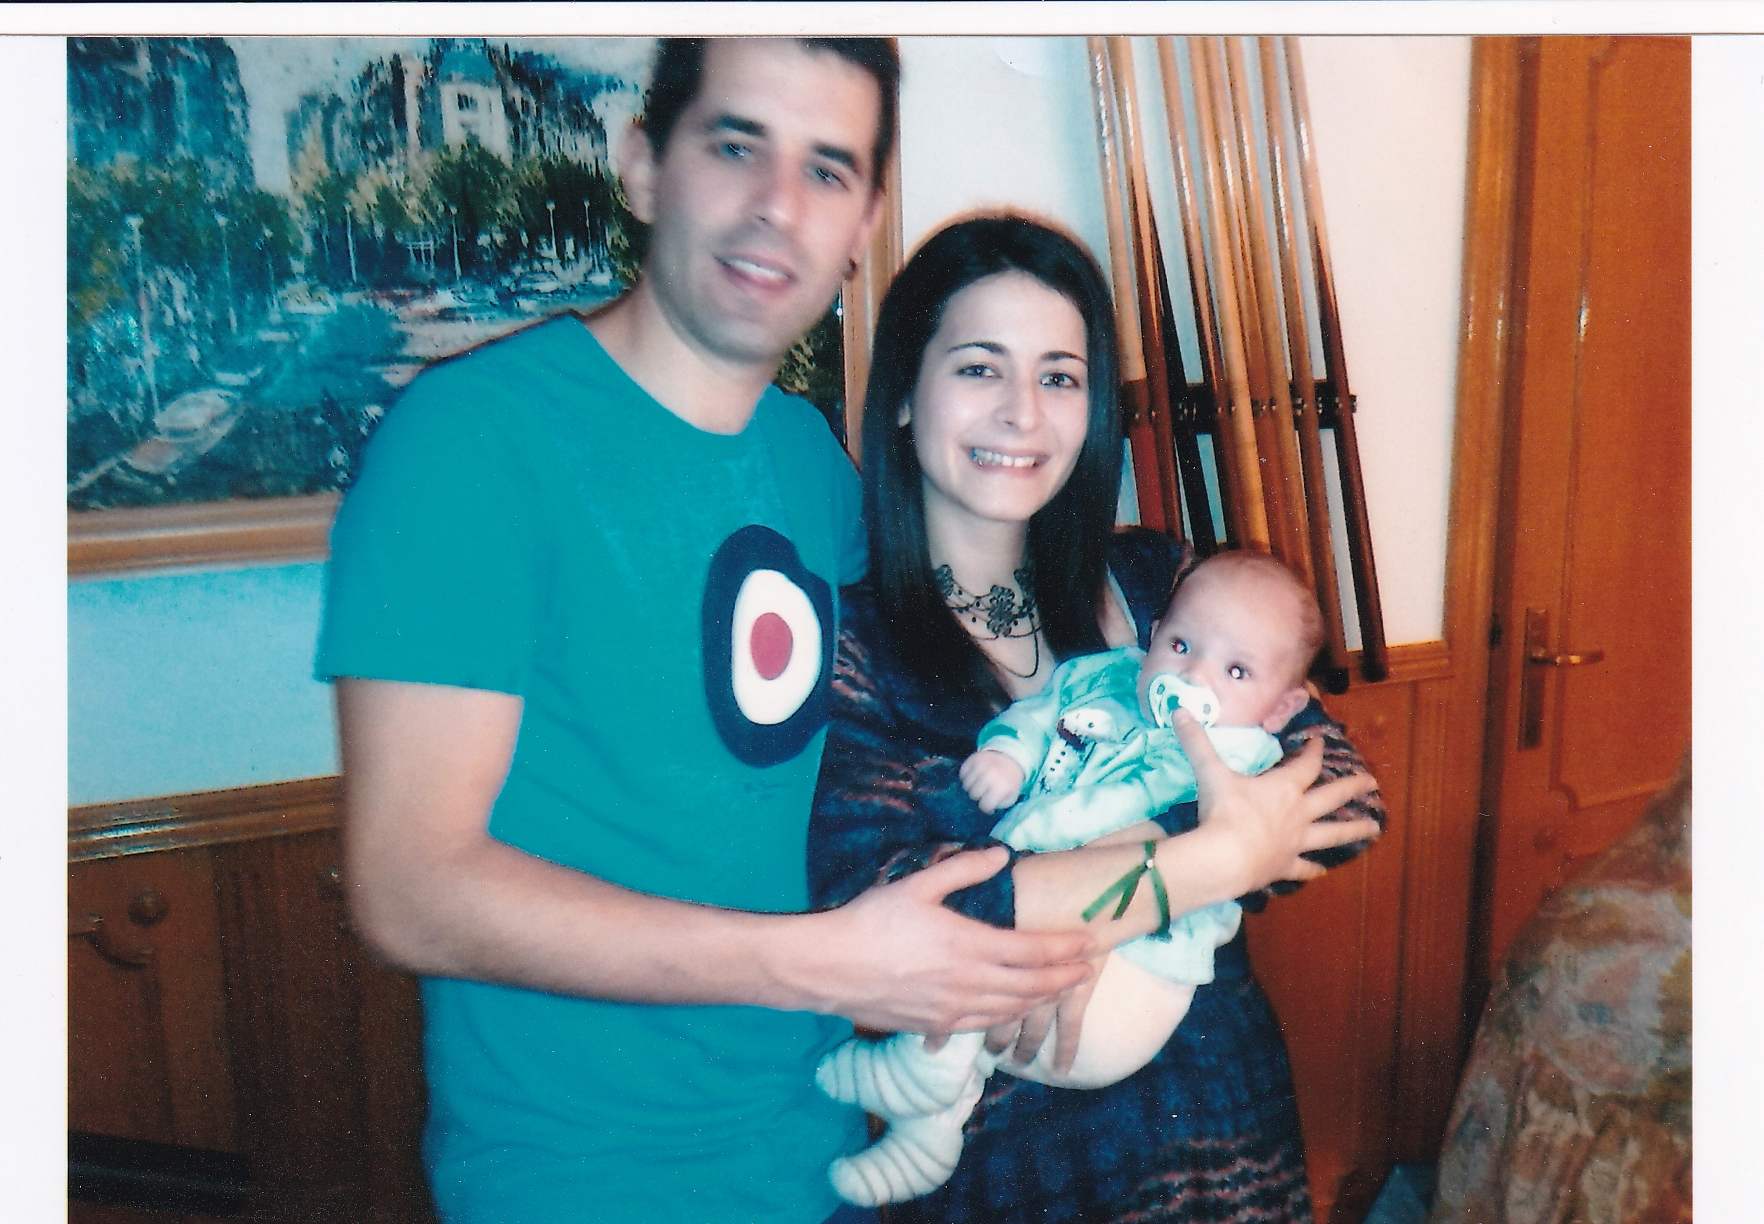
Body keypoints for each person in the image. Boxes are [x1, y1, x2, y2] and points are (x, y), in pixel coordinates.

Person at [315, 40, 1100, 1224]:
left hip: (831, 1147)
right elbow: (409, 888)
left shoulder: (809, 462)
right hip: (582, 1181)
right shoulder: (471, 443)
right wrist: (824, 964)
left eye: (827, 171)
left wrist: (1057, 938)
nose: (779, 207)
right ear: (644, 166)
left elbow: (930, 715)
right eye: (737, 147)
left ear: (863, 224)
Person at [809, 213, 1385, 1223]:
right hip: (1010, 1176)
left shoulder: (1161, 579)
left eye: (1061, 377)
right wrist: (1215, 859)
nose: (1023, 413)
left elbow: (1340, 796)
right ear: (902, 393)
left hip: (1220, 1135)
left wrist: (1100, 874)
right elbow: (893, 919)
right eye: (980, 369)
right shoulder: (852, 648)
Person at [815, 550, 1331, 1206]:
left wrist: (1135, 865)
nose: (1193, 675)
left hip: (1139, 981)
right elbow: (1043, 716)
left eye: (1236, 671)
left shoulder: (1247, 754)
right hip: (1033, 994)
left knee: (989, 980)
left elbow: (1335, 802)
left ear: (1282, 708)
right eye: (1179, 646)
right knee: (980, 980)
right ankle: (927, 1133)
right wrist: (1008, 755)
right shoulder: (1111, 681)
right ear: (1153, 635)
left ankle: (916, 1075)